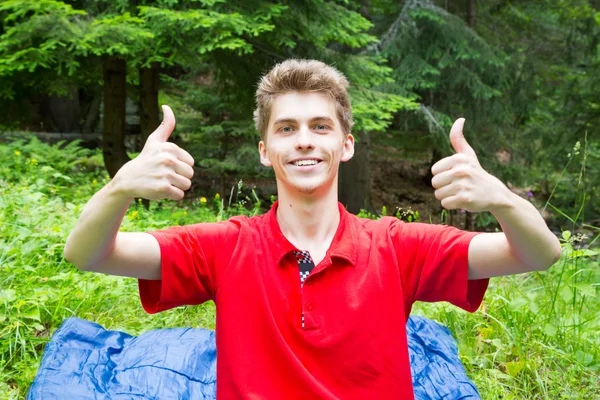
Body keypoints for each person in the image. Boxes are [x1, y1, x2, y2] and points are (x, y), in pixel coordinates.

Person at [64, 59, 561, 399]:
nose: (304, 141)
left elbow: (539, 254)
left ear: (345, 145)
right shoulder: (224, 246)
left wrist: (500, 197)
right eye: (286, 128)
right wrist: (120, 187)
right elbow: (87, 254)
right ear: (264, 150)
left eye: (320, 127)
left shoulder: (396, 245)